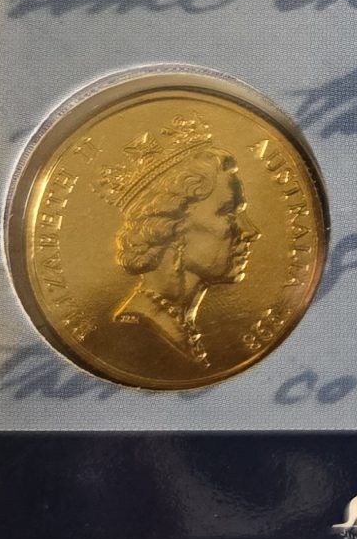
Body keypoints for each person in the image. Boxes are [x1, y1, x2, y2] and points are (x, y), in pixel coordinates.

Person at [106, 130, 255, 370]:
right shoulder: (135, 336)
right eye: (229, 212)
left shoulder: (180, 327)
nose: (251, 231)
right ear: (174, 228)